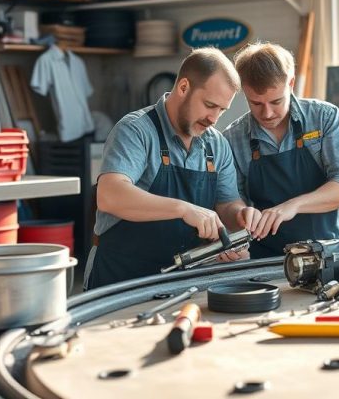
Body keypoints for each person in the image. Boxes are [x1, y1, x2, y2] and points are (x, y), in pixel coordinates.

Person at [84, 48, 261, 288]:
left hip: (181, 284)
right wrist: (183, 209)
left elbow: (227, 203)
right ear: (184, 87)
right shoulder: (136, 131)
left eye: (221, 110)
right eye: (209, 105)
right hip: (120, 283)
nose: (213, 118)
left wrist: (239, 220)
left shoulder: (216, 145)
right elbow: (109, 195)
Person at [224, 42, 339, 258]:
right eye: (256, 103)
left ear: (291, 83)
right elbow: (231, 199)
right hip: (266, 259)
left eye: (276, 101)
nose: (267, 113)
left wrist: (293, 206)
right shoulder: (232, 138)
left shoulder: (324, 118)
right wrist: (241, 214)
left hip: (329, 252)